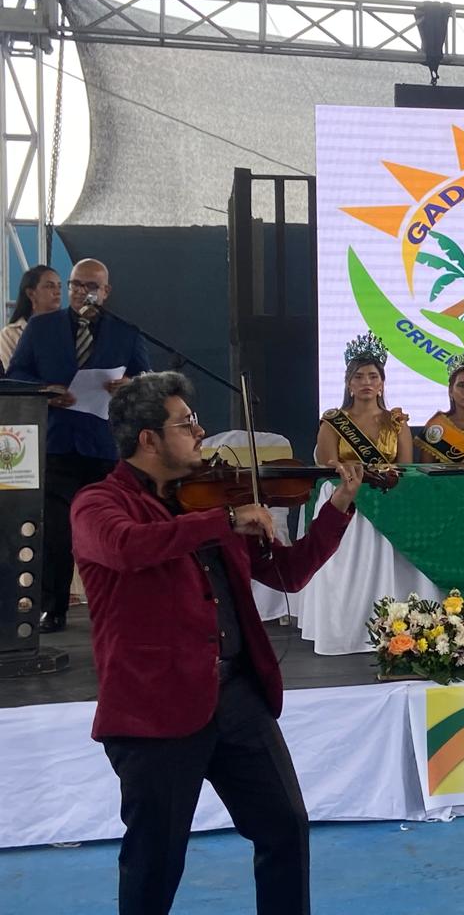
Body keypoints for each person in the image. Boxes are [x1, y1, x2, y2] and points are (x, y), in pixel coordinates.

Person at [70, 371, 363, 915]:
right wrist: (223, 519)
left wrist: (338, 507)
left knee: (285, 827)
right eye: (187, 424)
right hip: (154, 709)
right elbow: (129, 546)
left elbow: (288, 573)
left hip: (236, 697)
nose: (201, 433)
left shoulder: (210, 501)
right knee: (155, 861)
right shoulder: (98, 504)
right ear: (148, 439)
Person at [7, 257, 150, 632]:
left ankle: (114, 604)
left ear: (106, 291)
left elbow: (146, 379)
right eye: (75, 285)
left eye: (91, 286)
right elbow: (16, 374)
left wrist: (130, 386)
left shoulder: (125, 332)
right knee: (55, 532)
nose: (81, 292)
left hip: (104, 446)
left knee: (108, 529)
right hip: (56, 441)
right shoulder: (42, 327)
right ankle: (52, 607)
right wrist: (45, 390)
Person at [315, 332, 411, 466]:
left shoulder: (397, 423)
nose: (366, 382)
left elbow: (407, 473)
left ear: (382, 384)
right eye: (358, 377)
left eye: (373, 377)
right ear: (349, 384)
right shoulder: (333, 423)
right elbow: (326, 472)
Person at [0, 264, 61, 372]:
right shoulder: (10, 334)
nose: (57, 292)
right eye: (49, 286)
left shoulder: (65, 328)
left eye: (59, 286)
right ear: (31, 294)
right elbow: (11, 373)